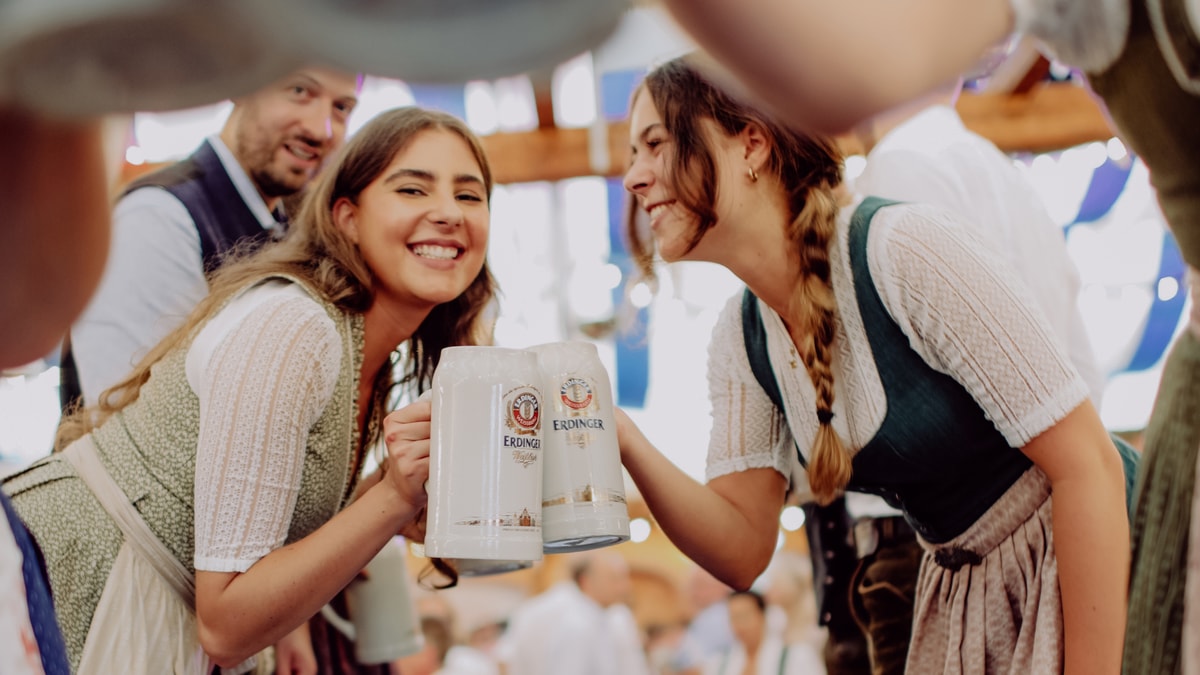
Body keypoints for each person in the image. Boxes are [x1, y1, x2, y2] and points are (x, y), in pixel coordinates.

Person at [650, 4, 1200, 670]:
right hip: (973, 566)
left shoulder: (894, 207)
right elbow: (740, 543)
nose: (633, 178)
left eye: (655, 144)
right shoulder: (749, 329)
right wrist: (619, 436)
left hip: (1063, 546)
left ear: (753, 145)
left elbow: (1081, 458)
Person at [2, 105, 496, 673]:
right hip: (76, 580)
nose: (447, 214)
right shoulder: (296, 328)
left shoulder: (368, 349)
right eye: (412, 190)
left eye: (469, 195)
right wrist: (390, 501)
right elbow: (227, 622)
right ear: (347, 218)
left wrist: (384, 491)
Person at [817, 77, 1109, 675]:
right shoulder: (998, 170)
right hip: (1042, 530)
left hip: (938, 549)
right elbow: (1079, 370)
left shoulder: (897, 179)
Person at [62, 66, 361, 410]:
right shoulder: (159, 215)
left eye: (342, 108)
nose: (320, 129)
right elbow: (125, 410)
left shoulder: (289, 225)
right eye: (299, 91)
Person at [497, 551, 647, 675]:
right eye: (615, 579)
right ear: (586, 580)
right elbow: (505, 660)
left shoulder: (608, 614)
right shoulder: (575, 622)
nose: (625, 587)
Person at [703, 590, 824, 675]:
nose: (739, 626)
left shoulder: (796, 656)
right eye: (733, 618)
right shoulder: (719, 664)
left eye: (744, 616)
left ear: (762, 616)